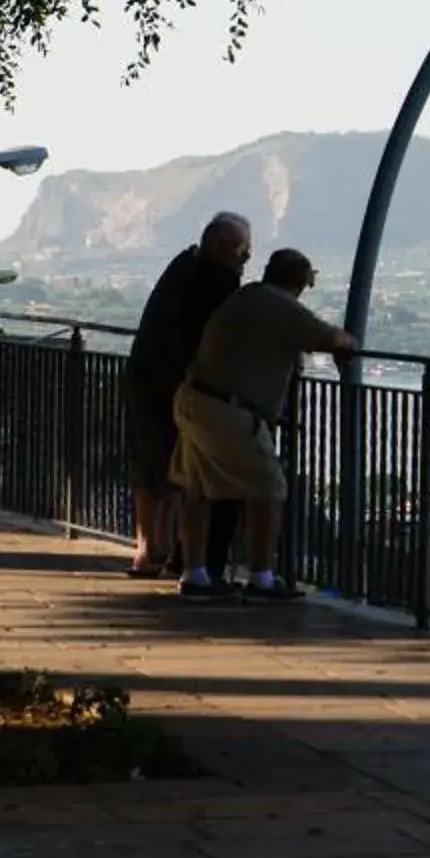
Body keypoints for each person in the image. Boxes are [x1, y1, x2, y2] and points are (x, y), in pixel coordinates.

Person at [170, 247, 355, 602]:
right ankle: (261, 578)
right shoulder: (280, 308)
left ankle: (194, 574)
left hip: (194, 399)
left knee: (196, 488)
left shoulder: (247, 297)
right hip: (231, 412)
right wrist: (349, 342)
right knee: (270, 489)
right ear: (302, 282)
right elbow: (331, 338)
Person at [124, 212, 251, 578]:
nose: (244, 259)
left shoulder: (184, 265)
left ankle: (154, 548)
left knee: (155, 463)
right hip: (176, 384)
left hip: (149, 378)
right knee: (177, 467)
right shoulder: (216, 281)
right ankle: (167, 551)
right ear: (222, 244)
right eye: (242, 250)